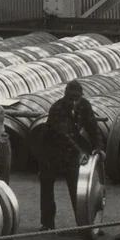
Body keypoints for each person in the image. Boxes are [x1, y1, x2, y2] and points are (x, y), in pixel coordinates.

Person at [38, 80, 103, 230]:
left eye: (76, 99)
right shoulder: (57, 108)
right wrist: (80, 152)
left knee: (77, 187)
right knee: (47, 187)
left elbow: (92, 126)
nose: (73, 102)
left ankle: (85, 223)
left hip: (70, 150)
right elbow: (63, 135)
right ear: (65, 96)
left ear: (81, 97)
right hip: (50, 150)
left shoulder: (84, 105)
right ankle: (47, 223)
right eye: (70, 99)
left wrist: (99, 147)